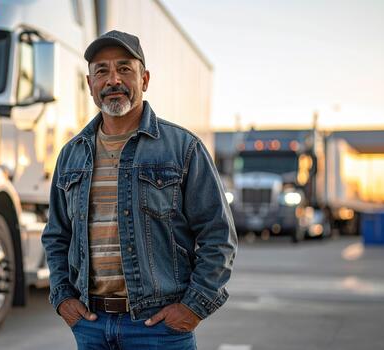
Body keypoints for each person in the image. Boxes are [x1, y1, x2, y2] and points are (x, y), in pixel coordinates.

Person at [41, 30, 237, 349]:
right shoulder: (71, 154)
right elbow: (56, 235)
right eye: (101, 71)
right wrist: (63, 298)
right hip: (92, 327)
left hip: (159, 328)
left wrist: (193, 307)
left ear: (144, 79)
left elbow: (219, 235)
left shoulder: (183, 148)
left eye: (124, 69)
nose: (113, 79)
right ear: (90, 84)